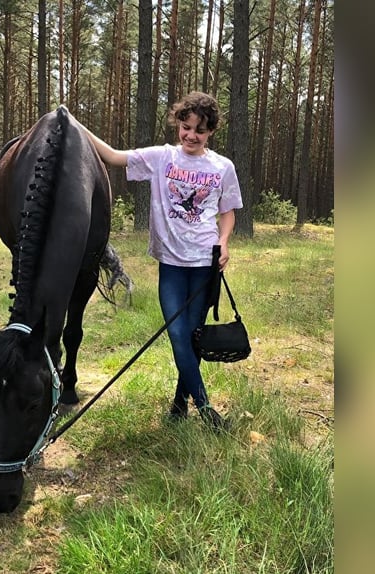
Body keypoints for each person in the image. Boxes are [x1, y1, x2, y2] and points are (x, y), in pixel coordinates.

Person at [75, 92, 243, 431]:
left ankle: (181, 404)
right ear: (178, 124)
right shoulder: (161, 158)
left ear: (211, 132)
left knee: (193, 334)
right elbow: (113, 156)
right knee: (178, 333)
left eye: (200, 130)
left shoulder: (222, 167)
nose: (191, 136)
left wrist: (223, 244)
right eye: (186, 127)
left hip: (204, 262)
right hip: (171, 264)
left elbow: (228, 213)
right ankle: (206, 408)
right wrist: (74, 123)